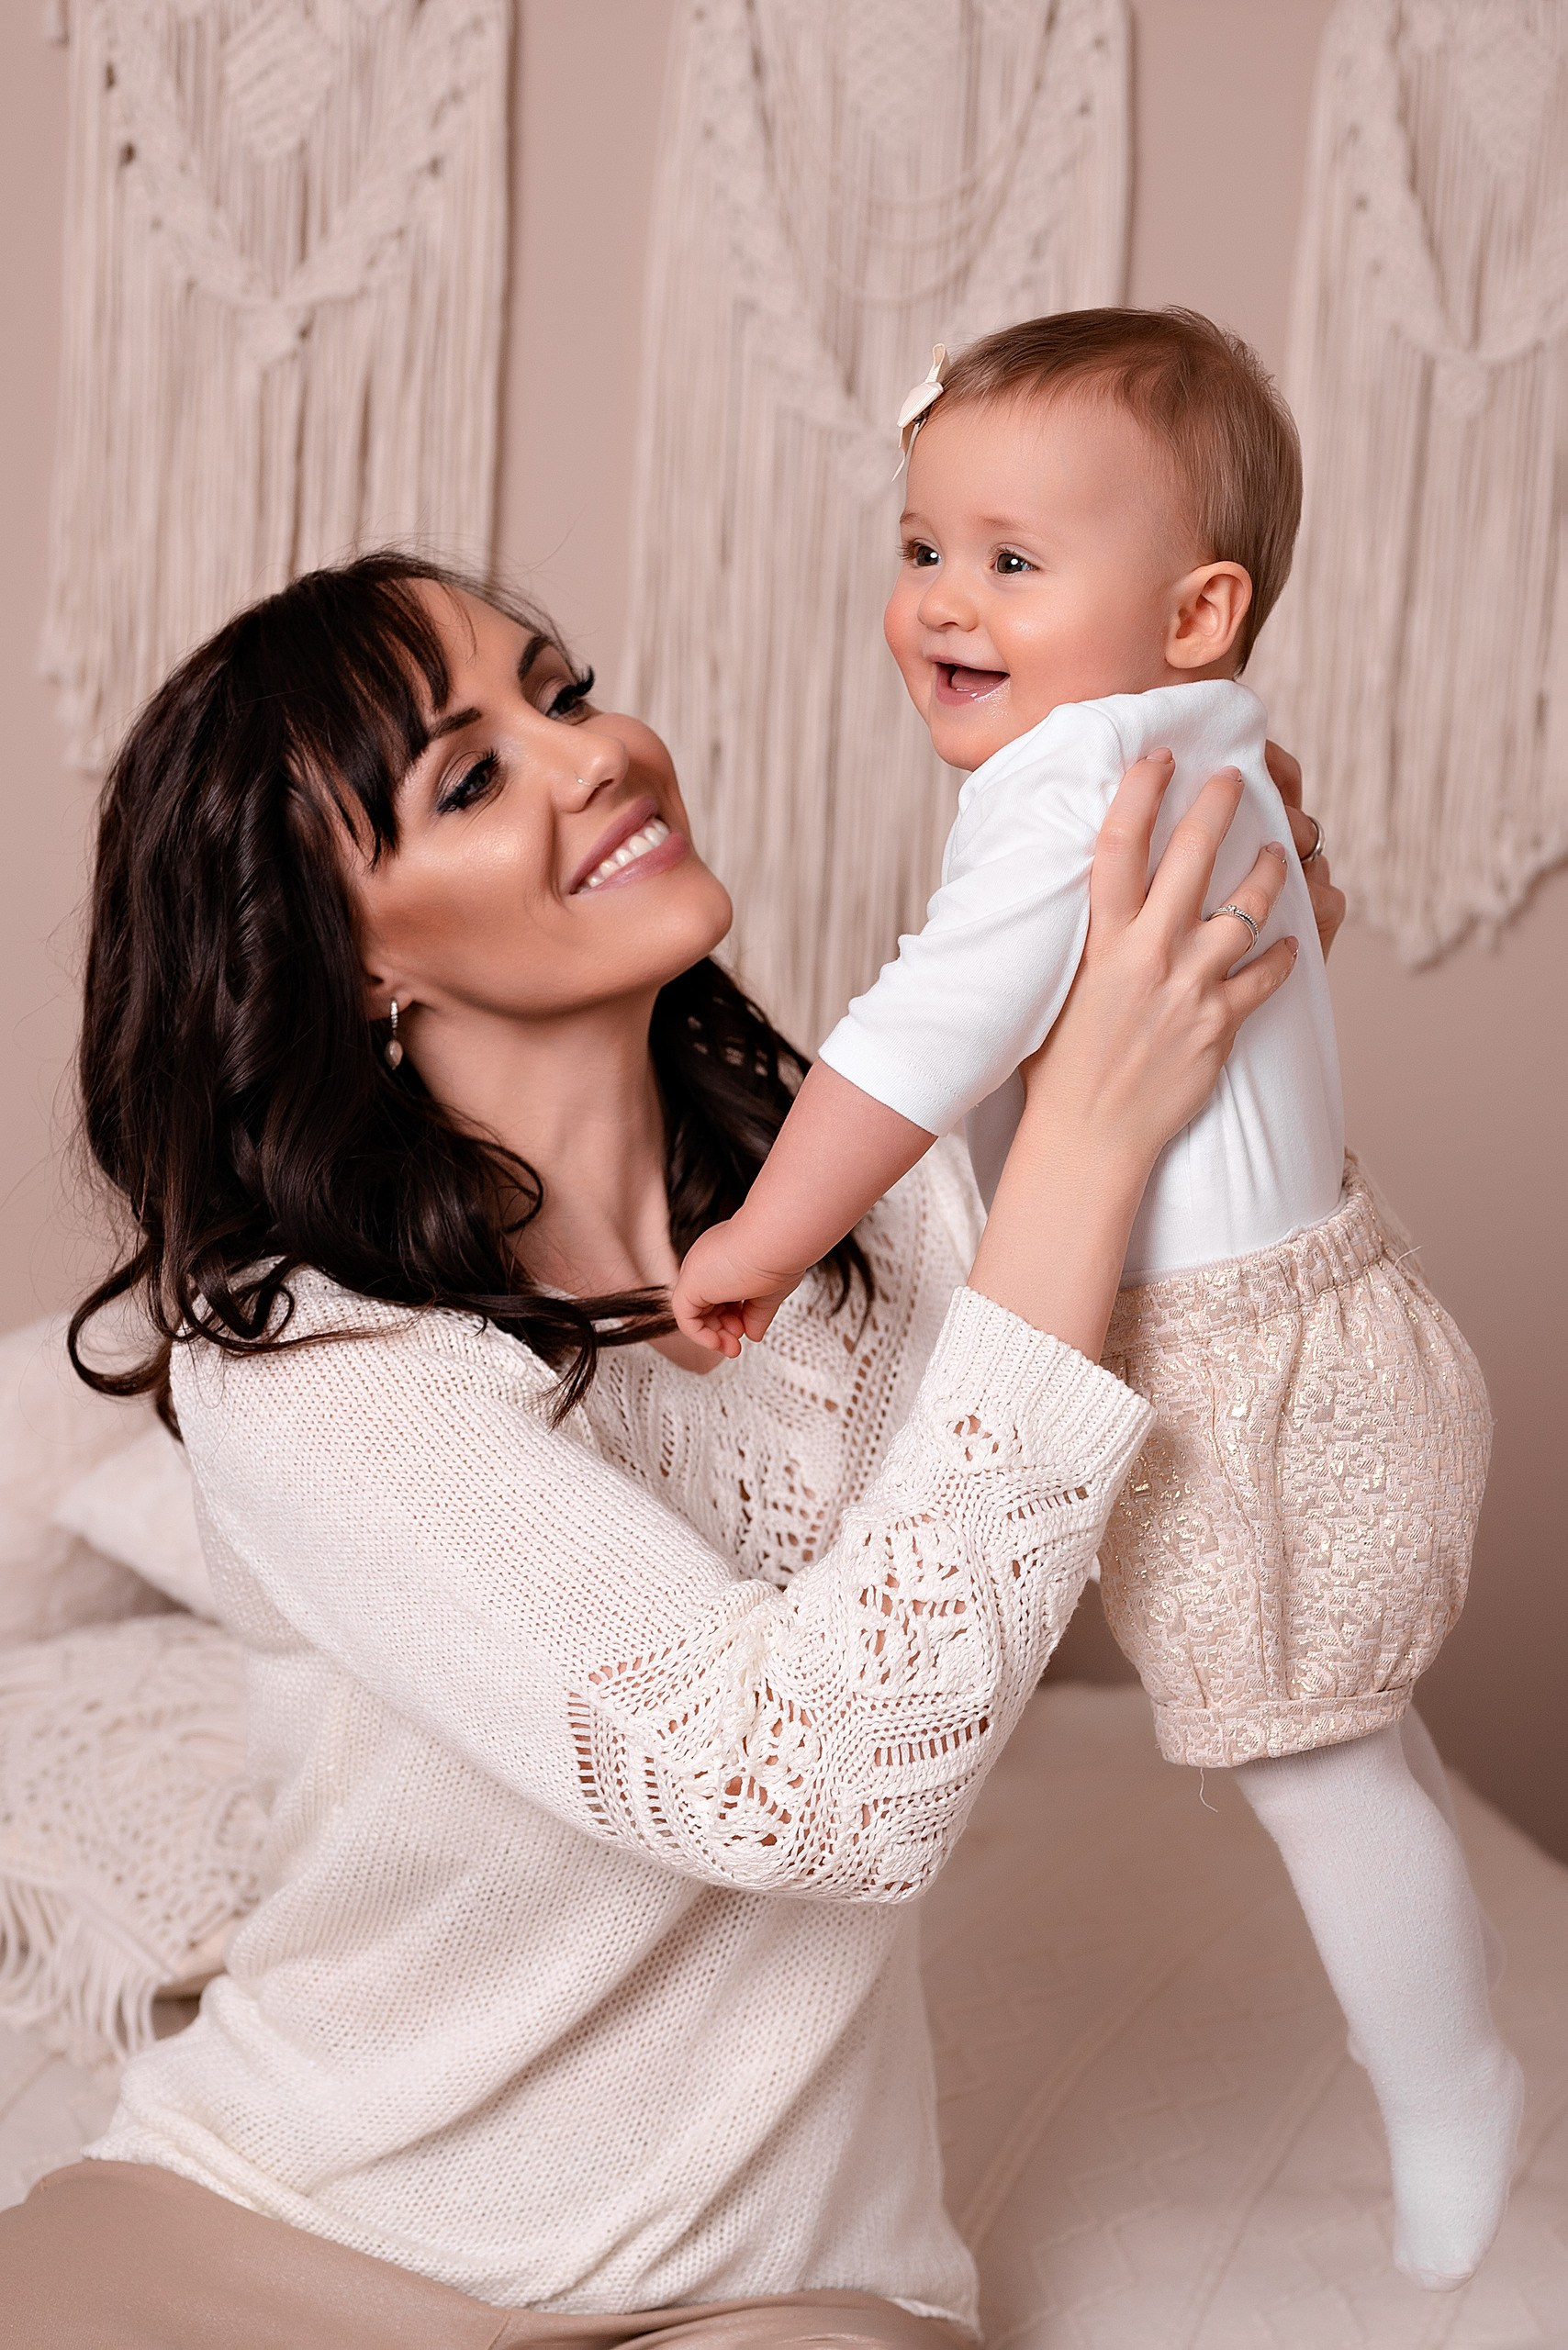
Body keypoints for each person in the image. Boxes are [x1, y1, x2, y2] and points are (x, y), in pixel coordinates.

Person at [2, 553, 1321, 2348]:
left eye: (565, 692)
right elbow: (805, 1785)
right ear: (348, 966)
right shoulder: (313, 1357)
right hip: (283, 2235)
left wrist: (1228, 1054)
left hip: (779, 2293)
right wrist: (1082, 1136)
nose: (595, 752)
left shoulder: (896, 1212)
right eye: (470, 775)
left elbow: (1202, 1550)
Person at [671, 309, 1519, 2292]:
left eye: (1012, 561)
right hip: (1330, 1322)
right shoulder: (1196, 742)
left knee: (1316, 1764)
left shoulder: (1069, 783)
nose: (940, 603)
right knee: (1340, 1749)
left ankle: (1447, 2085)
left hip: (1248, 1381)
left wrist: (761, 1235)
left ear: (1196, 606)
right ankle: (1446, 2070)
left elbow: (919, 1036)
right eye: (920, 548)